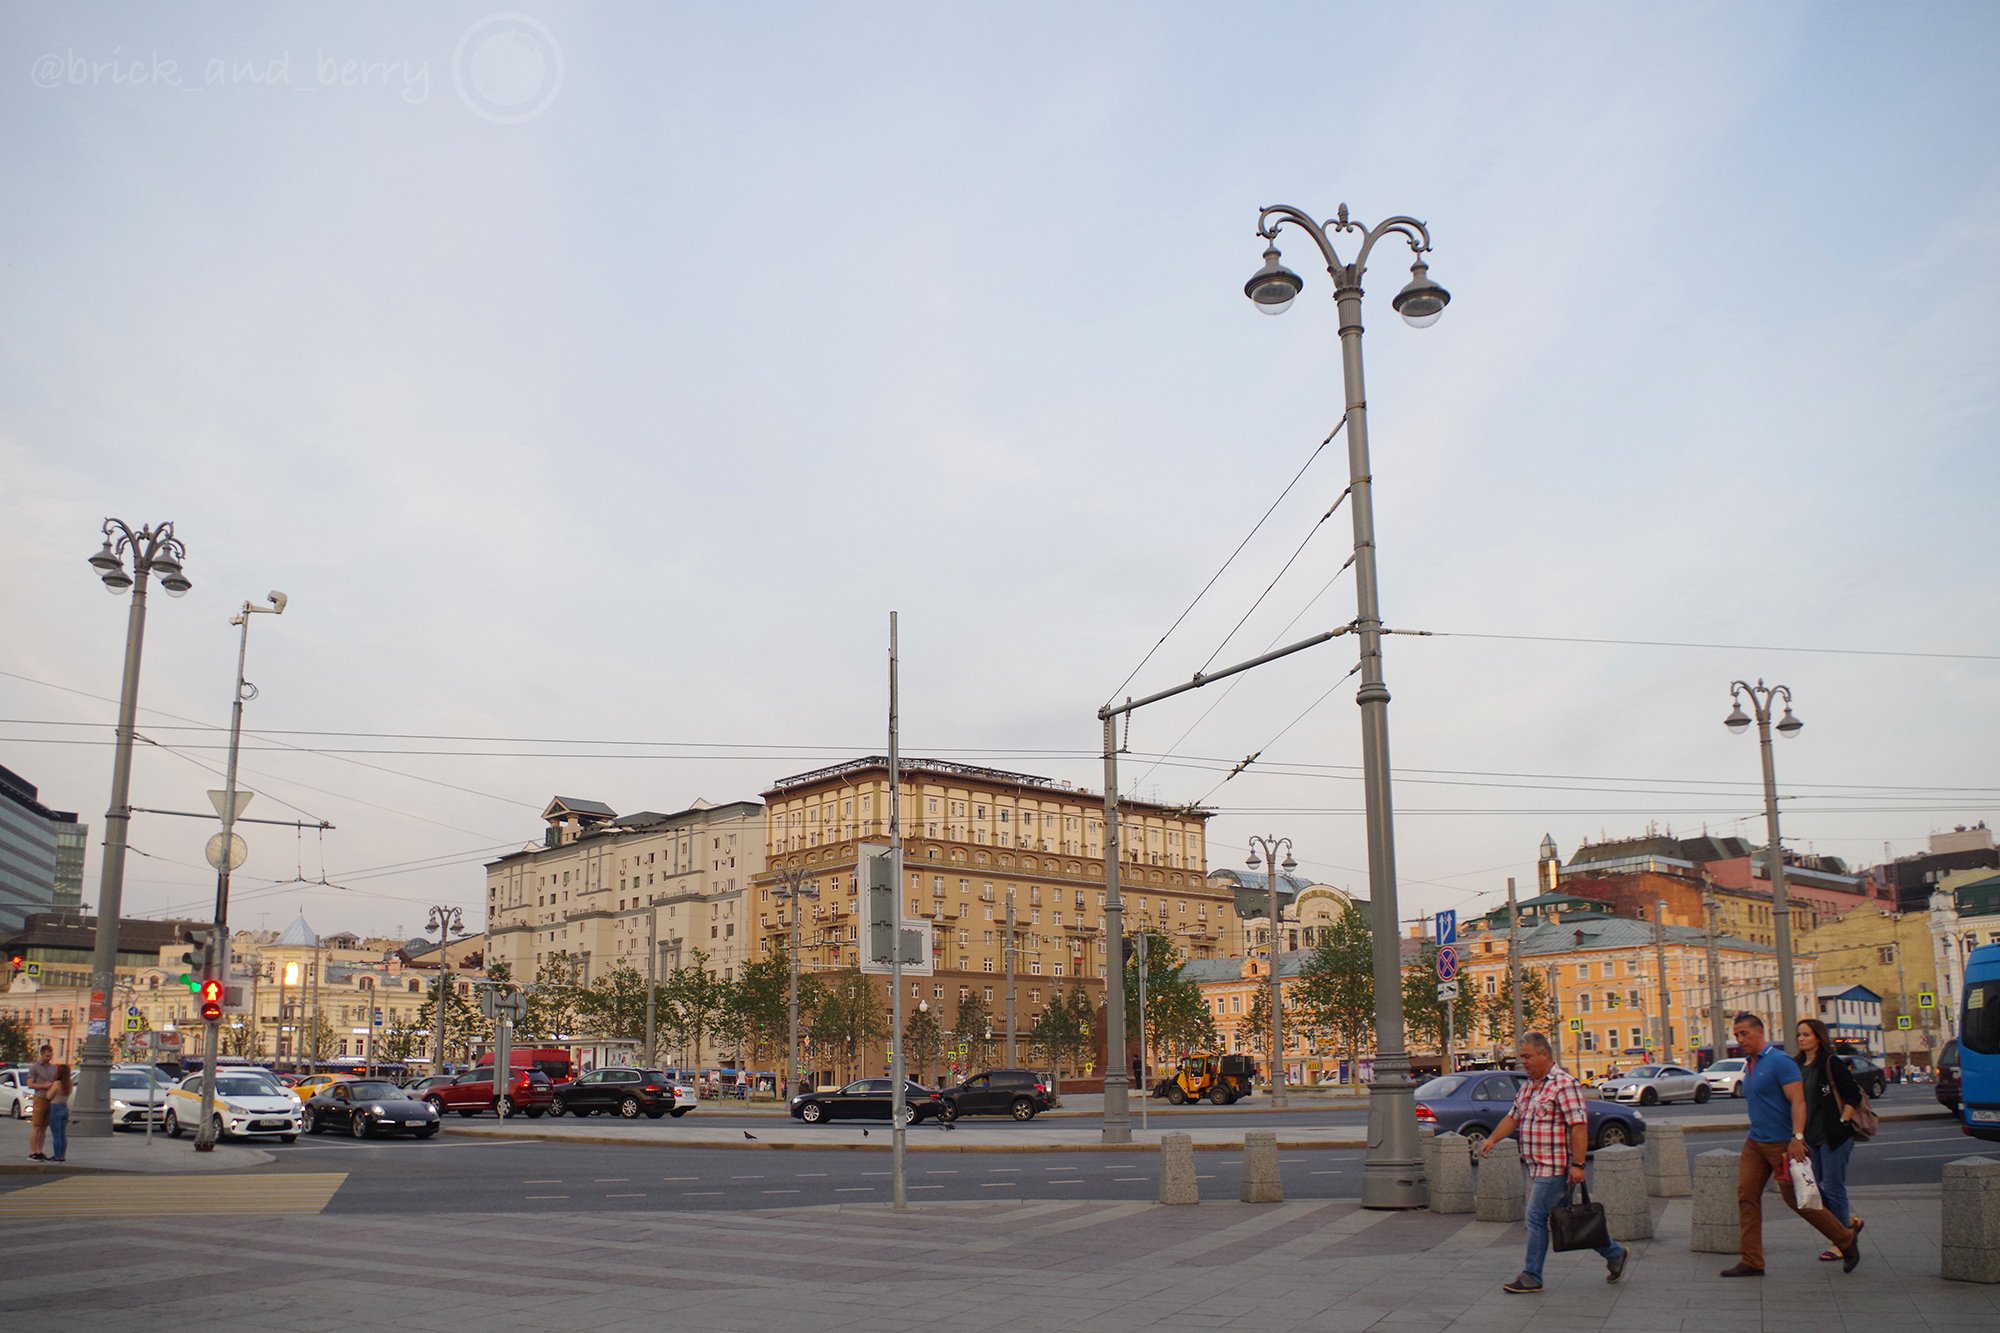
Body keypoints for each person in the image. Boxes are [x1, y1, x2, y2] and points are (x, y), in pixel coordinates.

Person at [1480, 1032, 1627, 1294]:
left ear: (1544, 1054)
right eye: (1521, 1056)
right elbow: (1513, 1118)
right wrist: (1492, 1139)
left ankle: (1531, 1276)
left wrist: (1578, 1165)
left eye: (1527, 1056)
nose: (1522, 1061)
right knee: (1570, 1220)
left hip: (1555, 1166)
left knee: (1535, 1217)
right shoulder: (1528, 1087)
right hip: (1536, 1167)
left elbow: (1579, 1127)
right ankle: (1614, 1253)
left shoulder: (1563, 1084)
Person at [1723, 1012, 1858, 1277]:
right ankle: (1752, 1260)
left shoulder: (1780, 1062)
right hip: (1755, 1142)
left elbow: (1799, 1101)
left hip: (1782, 1144)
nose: (1740, 1039)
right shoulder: (1749, 1064)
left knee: (1799, 1200)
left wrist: (1796, 1138)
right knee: (1746, 1196)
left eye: (1744, 1034)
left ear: (1760, 1033)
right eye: (1737, 1035)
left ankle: (1845, 1239)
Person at [1795, 1019, 1866, 1261]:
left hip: (1834, 1136)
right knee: (1812, 1187)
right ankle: (1849, 1222)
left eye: (1806, 1034)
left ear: (1818, 1037)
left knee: (1834, 1187)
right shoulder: (1797, 1065)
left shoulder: (1829, 1062)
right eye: (1799, 1035)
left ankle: (1841, 1241)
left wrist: (1843, 1122)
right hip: (1809, 1137)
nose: (1801, 1039)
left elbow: (1852, 1095)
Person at [24, 1044, 57, 1161]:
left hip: (50, 1099)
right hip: (40, 1097)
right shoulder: (35, 1067)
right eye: (47, 1055)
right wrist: (44, 1086)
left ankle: (40, 1150)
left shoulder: (53, 1068)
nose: (50, 1058)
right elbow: (30, 1084)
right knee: (37, 1126)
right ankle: (33, 1151)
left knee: (44, 1127)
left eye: (51, 1055)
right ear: (42, 1054)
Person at [44, 1063, 71, 1164]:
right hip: (64, 1107)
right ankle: (62, 1155)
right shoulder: (69, 1083)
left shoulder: (57, 1084)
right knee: (63, 1134)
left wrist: (48, 1088)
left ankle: (57, 1156)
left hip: (55, 1108)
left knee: (56, 1134)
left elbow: (49, 1096)